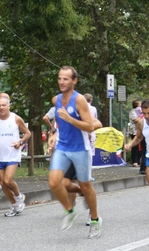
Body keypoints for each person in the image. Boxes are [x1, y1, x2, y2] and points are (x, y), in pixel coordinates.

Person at [48, 66, 101, 238]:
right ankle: (70, 210)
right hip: (63, 147)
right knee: (55, 182)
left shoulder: (79, 101)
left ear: (74, 81)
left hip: (80, 148)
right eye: (60, 78)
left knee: (86, 186)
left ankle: (95, 220)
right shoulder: (56, 100)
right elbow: (59, 122)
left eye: (66, 79)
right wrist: (54, 134)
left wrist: (71, 119)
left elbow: (90, 126)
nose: (62, 82)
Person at [0, 96, 31, 217]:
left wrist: (20, 142)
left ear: (8, 106)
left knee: (8, 180)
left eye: (4, 105)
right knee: (3, 184)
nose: (1, 108)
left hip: (12, 155)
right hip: (0, 156)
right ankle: (14, 205)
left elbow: (28, 133)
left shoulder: (15, 118)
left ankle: (18, 196)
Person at [129, 100, 142, 167]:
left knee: (141, 146)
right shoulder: (133, 111)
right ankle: (135, 161)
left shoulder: (141, 111)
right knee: (135, 146)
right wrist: (142, 117)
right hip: (134, 131)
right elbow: (136, 119)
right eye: (140, 104)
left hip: (141, 131)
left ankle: (140, 160)